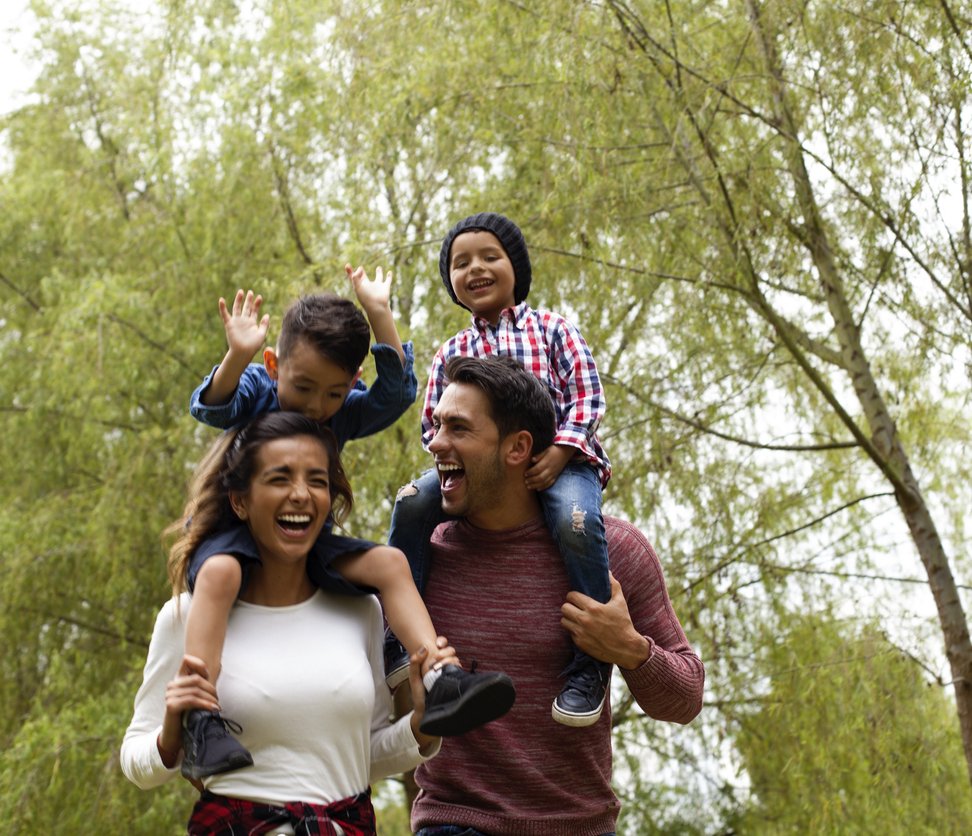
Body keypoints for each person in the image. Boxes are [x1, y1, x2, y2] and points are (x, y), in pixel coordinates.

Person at [181, 269, 513, 780]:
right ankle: (200, 720)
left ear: (351, 383)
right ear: (275, 366)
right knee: (221, 574)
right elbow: (211, 407)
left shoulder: (340, 413)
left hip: (307, 542)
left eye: (333, 393)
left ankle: (442, 676)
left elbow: (396, 395)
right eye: (304, 387)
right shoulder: (258, 387)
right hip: (234, 537)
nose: (315, 407)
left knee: (390, 561)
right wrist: (238, 355)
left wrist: (380, 314)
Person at [408, 355, 705, 836]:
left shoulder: (615, 553)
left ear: (518, 447)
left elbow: (686, 699)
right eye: (438, 424)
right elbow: (380, 710)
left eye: (458, 428)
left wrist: (630, 649)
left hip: (580, 826)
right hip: (454, 822)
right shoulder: (419, 560)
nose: (436, 442)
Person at [121, 411, 457, 835]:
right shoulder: (187, 616)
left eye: (317, 480)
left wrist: (421, 729)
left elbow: (362, 755)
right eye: (279, 479)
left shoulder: (361, 611)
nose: (301, 494)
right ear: (239, 501)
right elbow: (135, 762)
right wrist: (171, 735)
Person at [389, 212, 616, 727]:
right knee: (411, 501)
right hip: (479, 467)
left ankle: (591, 660)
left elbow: (587, 398)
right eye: (460, 262)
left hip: (562, 462)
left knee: (574, 521)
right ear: (450, 281)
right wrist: (452, 455)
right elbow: (432, 426)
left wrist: (559, 450)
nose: (476, 269)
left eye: (490, 257)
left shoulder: (552, 329)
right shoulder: (452, 351)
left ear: (516, 267)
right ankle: (398, 636)